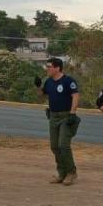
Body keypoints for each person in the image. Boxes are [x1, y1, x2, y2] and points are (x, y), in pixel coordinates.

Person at [34, 57, 81, 185]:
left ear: (57, 68)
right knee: (54, 146)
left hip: (66, 116)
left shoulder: (68, 81)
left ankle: (71, 172)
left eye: (49, 67)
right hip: (53, 116)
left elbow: (75, 96)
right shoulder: (49, 82)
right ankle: (62, 173)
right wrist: (38, 86)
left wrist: (72, 112)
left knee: (63, 145)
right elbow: (41, 96)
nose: (47, 69)